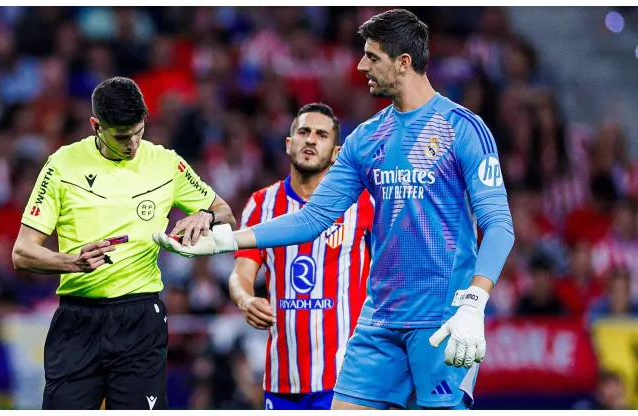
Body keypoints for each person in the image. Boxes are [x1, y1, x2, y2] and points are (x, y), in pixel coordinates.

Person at [153, 9, 514, 410]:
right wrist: (226, 241)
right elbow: (312, 217)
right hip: (379, 321)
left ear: (404, 62)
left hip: (442, 317)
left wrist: (474, 303)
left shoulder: (461, 127)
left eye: (372, 57)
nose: (361, 66)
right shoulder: (367, 137)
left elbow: (498, 224)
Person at [11, 77, 235, 410]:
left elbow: (225, 212)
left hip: (140, 319)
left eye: (139, 131)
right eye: (121, 136)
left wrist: (206, 216)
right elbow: (22, 252)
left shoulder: (166, 163)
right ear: (96, 126)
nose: (132, 144)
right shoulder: (62, 165)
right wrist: (72, 262)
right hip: (77, 318)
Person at [228, 103, 374, 410]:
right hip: (282, 379)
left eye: (321, 135)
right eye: (304, 132)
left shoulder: (363, 203)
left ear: (336, 152)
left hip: (346, 380)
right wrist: (245, 299)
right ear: (288, 143)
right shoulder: (261, 203)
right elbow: (242, 273)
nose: (310, 140)